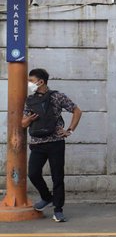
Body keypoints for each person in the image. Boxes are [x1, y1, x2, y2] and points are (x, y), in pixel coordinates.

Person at [21, 68, 82, 223]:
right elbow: (22, 123)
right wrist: (29, 120)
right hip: (37, 143)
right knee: (33, 173)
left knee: (57, 177)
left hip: (56, 142)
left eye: (31, 80)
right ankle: (47, 197)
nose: (29, 83)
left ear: (41, 82)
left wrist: (69, 130)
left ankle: (58, 210)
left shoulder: (57, 96)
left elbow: (77, 111)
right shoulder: (30, 100)